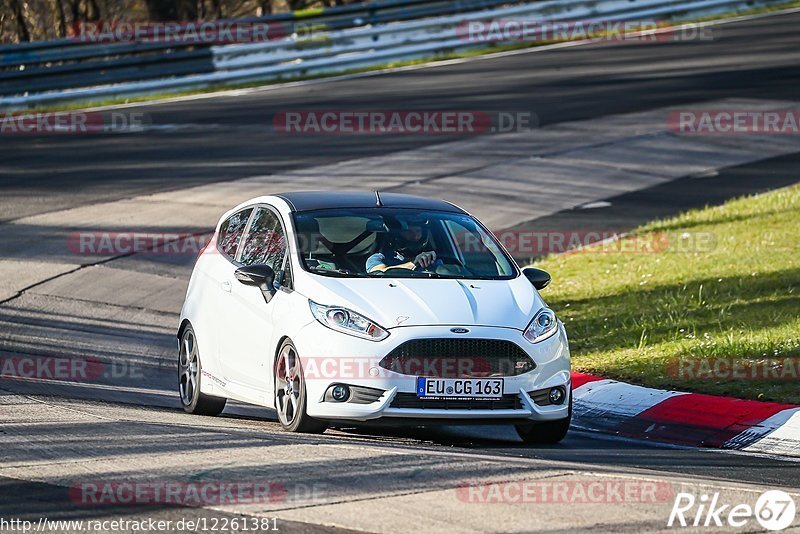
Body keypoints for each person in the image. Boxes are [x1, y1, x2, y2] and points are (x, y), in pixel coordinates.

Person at [366, 217, 442, 273]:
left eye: (418, 231)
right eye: (408, 232)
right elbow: (378, 273)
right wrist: (413, 263)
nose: (415, 236)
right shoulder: (378, 258)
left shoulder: (431, 259)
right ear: (398, 235)